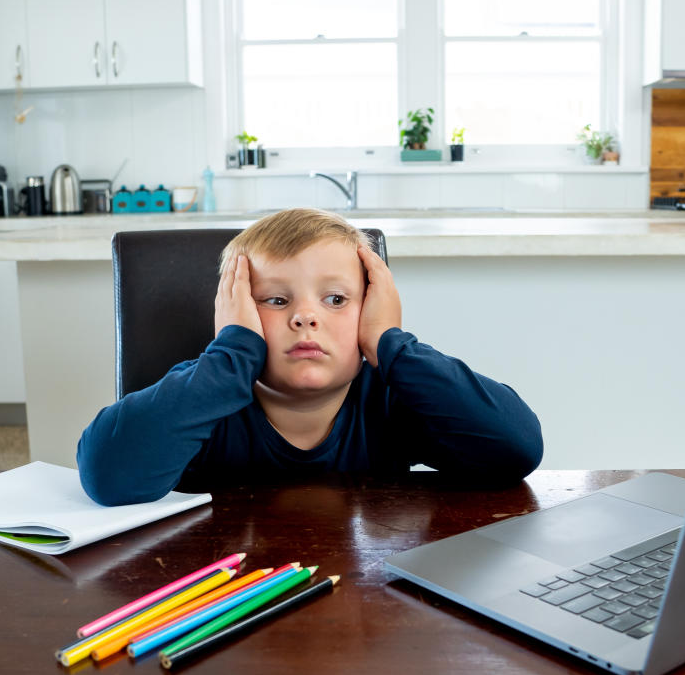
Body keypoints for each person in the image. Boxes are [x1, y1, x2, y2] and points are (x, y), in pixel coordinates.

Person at [78, 208, 543, 505]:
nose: (305, 317)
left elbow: (515, 447)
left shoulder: (393, 398)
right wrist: (232, 351)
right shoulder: (205, 394)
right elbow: (107, 475)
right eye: (276, 301)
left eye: (336, 300)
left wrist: (389, 342)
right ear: (234, 315)